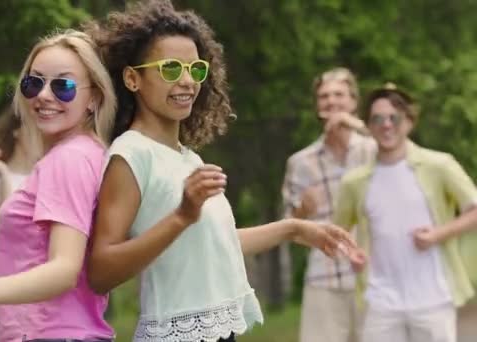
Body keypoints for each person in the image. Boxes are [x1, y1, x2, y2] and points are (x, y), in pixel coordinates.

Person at [85, 1, 363, 341]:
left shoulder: (188, 158)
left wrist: (293, 229)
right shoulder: (131, 152)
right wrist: (181, 216)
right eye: (171, 68)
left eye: (196, 69)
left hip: (216, 333)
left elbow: (215, 243)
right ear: (132, 78)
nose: (187, 81)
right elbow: (101, 271)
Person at [0, 29, 118, 342]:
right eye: (34, 82)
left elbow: (65, 269)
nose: (44, 95)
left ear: (94, 98)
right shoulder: (86, 153)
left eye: (63, 86)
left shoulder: (68, 159)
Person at [333, 83, 477, 342]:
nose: (386, 124)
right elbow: (337, 233)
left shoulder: (439, 165)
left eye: (394, 117)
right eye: (377, 118)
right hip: (381, 303)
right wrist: (350, 255)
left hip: (434, 299)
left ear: (409, 121)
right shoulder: (354, 182)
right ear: (368, 126)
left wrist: (438, 234)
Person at [281, 67, 375, 342]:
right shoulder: (300, 163)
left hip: (375, 278)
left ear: (353, 102)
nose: (331, 101)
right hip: (324, 281)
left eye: (339, 95)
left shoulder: (375, 150)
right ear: (317, 105)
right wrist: (303, 210)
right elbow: (289, 228)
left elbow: (403, 150)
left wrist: (357, 125)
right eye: (324, 96)